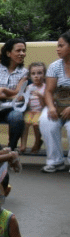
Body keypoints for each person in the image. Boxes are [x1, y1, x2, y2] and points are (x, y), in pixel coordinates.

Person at [0, 38, 28, 151]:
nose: (22, 53)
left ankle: (11, 148)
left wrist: (1, 90)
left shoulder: (24, 72)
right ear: (8, 53)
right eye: (18, 50)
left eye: (23, 51)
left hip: (12, 107)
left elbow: (19, 94)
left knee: (17, 118)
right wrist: (11, 95)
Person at [39, 30, 70, 173]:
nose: (57, 49)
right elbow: (49, 91)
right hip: (58, 105)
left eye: (61, 45)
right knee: (46, 121)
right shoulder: (55, 66)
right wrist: (51, 107)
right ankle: (56, 161)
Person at [20, 62, 46, 154]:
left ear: (44, 75)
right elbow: (26, 102)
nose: (36, 76)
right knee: (25, 123)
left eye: (39, 73)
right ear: (30, 76)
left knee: (35, 123)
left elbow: (45, 105)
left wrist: (40, 96)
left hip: (41, 111)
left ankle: (37, 142)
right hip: (30, 111)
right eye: (33, 74)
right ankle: (23, 145)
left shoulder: (45, 88)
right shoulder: (29, 87)